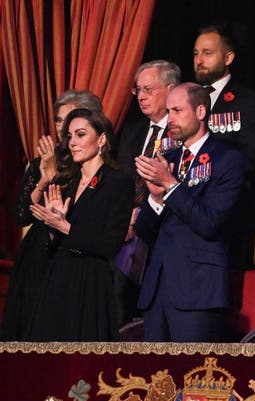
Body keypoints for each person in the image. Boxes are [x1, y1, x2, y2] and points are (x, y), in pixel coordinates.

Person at [134, 82, 245, 342]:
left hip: (197, 289)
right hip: (157, 289)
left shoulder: (227, 159)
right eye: (167, 111)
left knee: (193, 377)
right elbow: (144, 231)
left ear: (200, 112)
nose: (169, 119)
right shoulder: (168, 159)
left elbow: (209, 223)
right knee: (153, 377)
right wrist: (155, 197)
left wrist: (171, 186)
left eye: (176, 111)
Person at [1, 90, 103, 341]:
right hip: (37, 255)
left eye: (69, 120)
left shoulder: (94, 164)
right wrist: (45, 179)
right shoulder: (43, 162)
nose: (62, 127)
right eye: (58, 120)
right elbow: (22, 215)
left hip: (69, 254)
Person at [28, 108, 134, 341]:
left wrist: (65, 227)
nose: (72, 142)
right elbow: (56, 241)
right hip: (59, 277)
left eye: (81, 134)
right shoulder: (71, 182)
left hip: (90, 283)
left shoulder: (118, 182)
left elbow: (110, 245)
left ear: (102, 139)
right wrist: (53, 226)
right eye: (70, 136)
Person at [194, 24, 255, 269]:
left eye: (207, 52)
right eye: (195, 53)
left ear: (228, 58)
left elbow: (249, 159)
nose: (199, 60)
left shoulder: (247, 101)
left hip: (229, 213)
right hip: (188, 213)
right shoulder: (187, 98)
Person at [115, 60, 181, 329]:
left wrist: (142, 214)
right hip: (125, 234)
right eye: (138, 90)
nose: (141, 96)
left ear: (171, 89)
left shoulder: (182, 131)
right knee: (117, 304)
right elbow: (120, 181)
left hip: (162, 231)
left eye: (148, 89)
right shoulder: (133, 130)